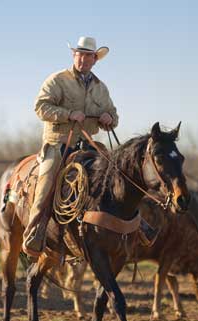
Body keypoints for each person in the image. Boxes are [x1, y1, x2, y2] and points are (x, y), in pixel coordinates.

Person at [22, 36, 119, 258]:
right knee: (47, 179)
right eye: (79, 54)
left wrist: (109, 118)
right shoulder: (57, 80)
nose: (83, 59)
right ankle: (34, 231)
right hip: (59, 143)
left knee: (117, 172)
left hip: (89, 144)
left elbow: (114, 115)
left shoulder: (100, 88)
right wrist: (67, 114)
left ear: (95, 59)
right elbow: (40, 107)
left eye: (88, 56)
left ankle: (130, 227)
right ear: (74, 56)